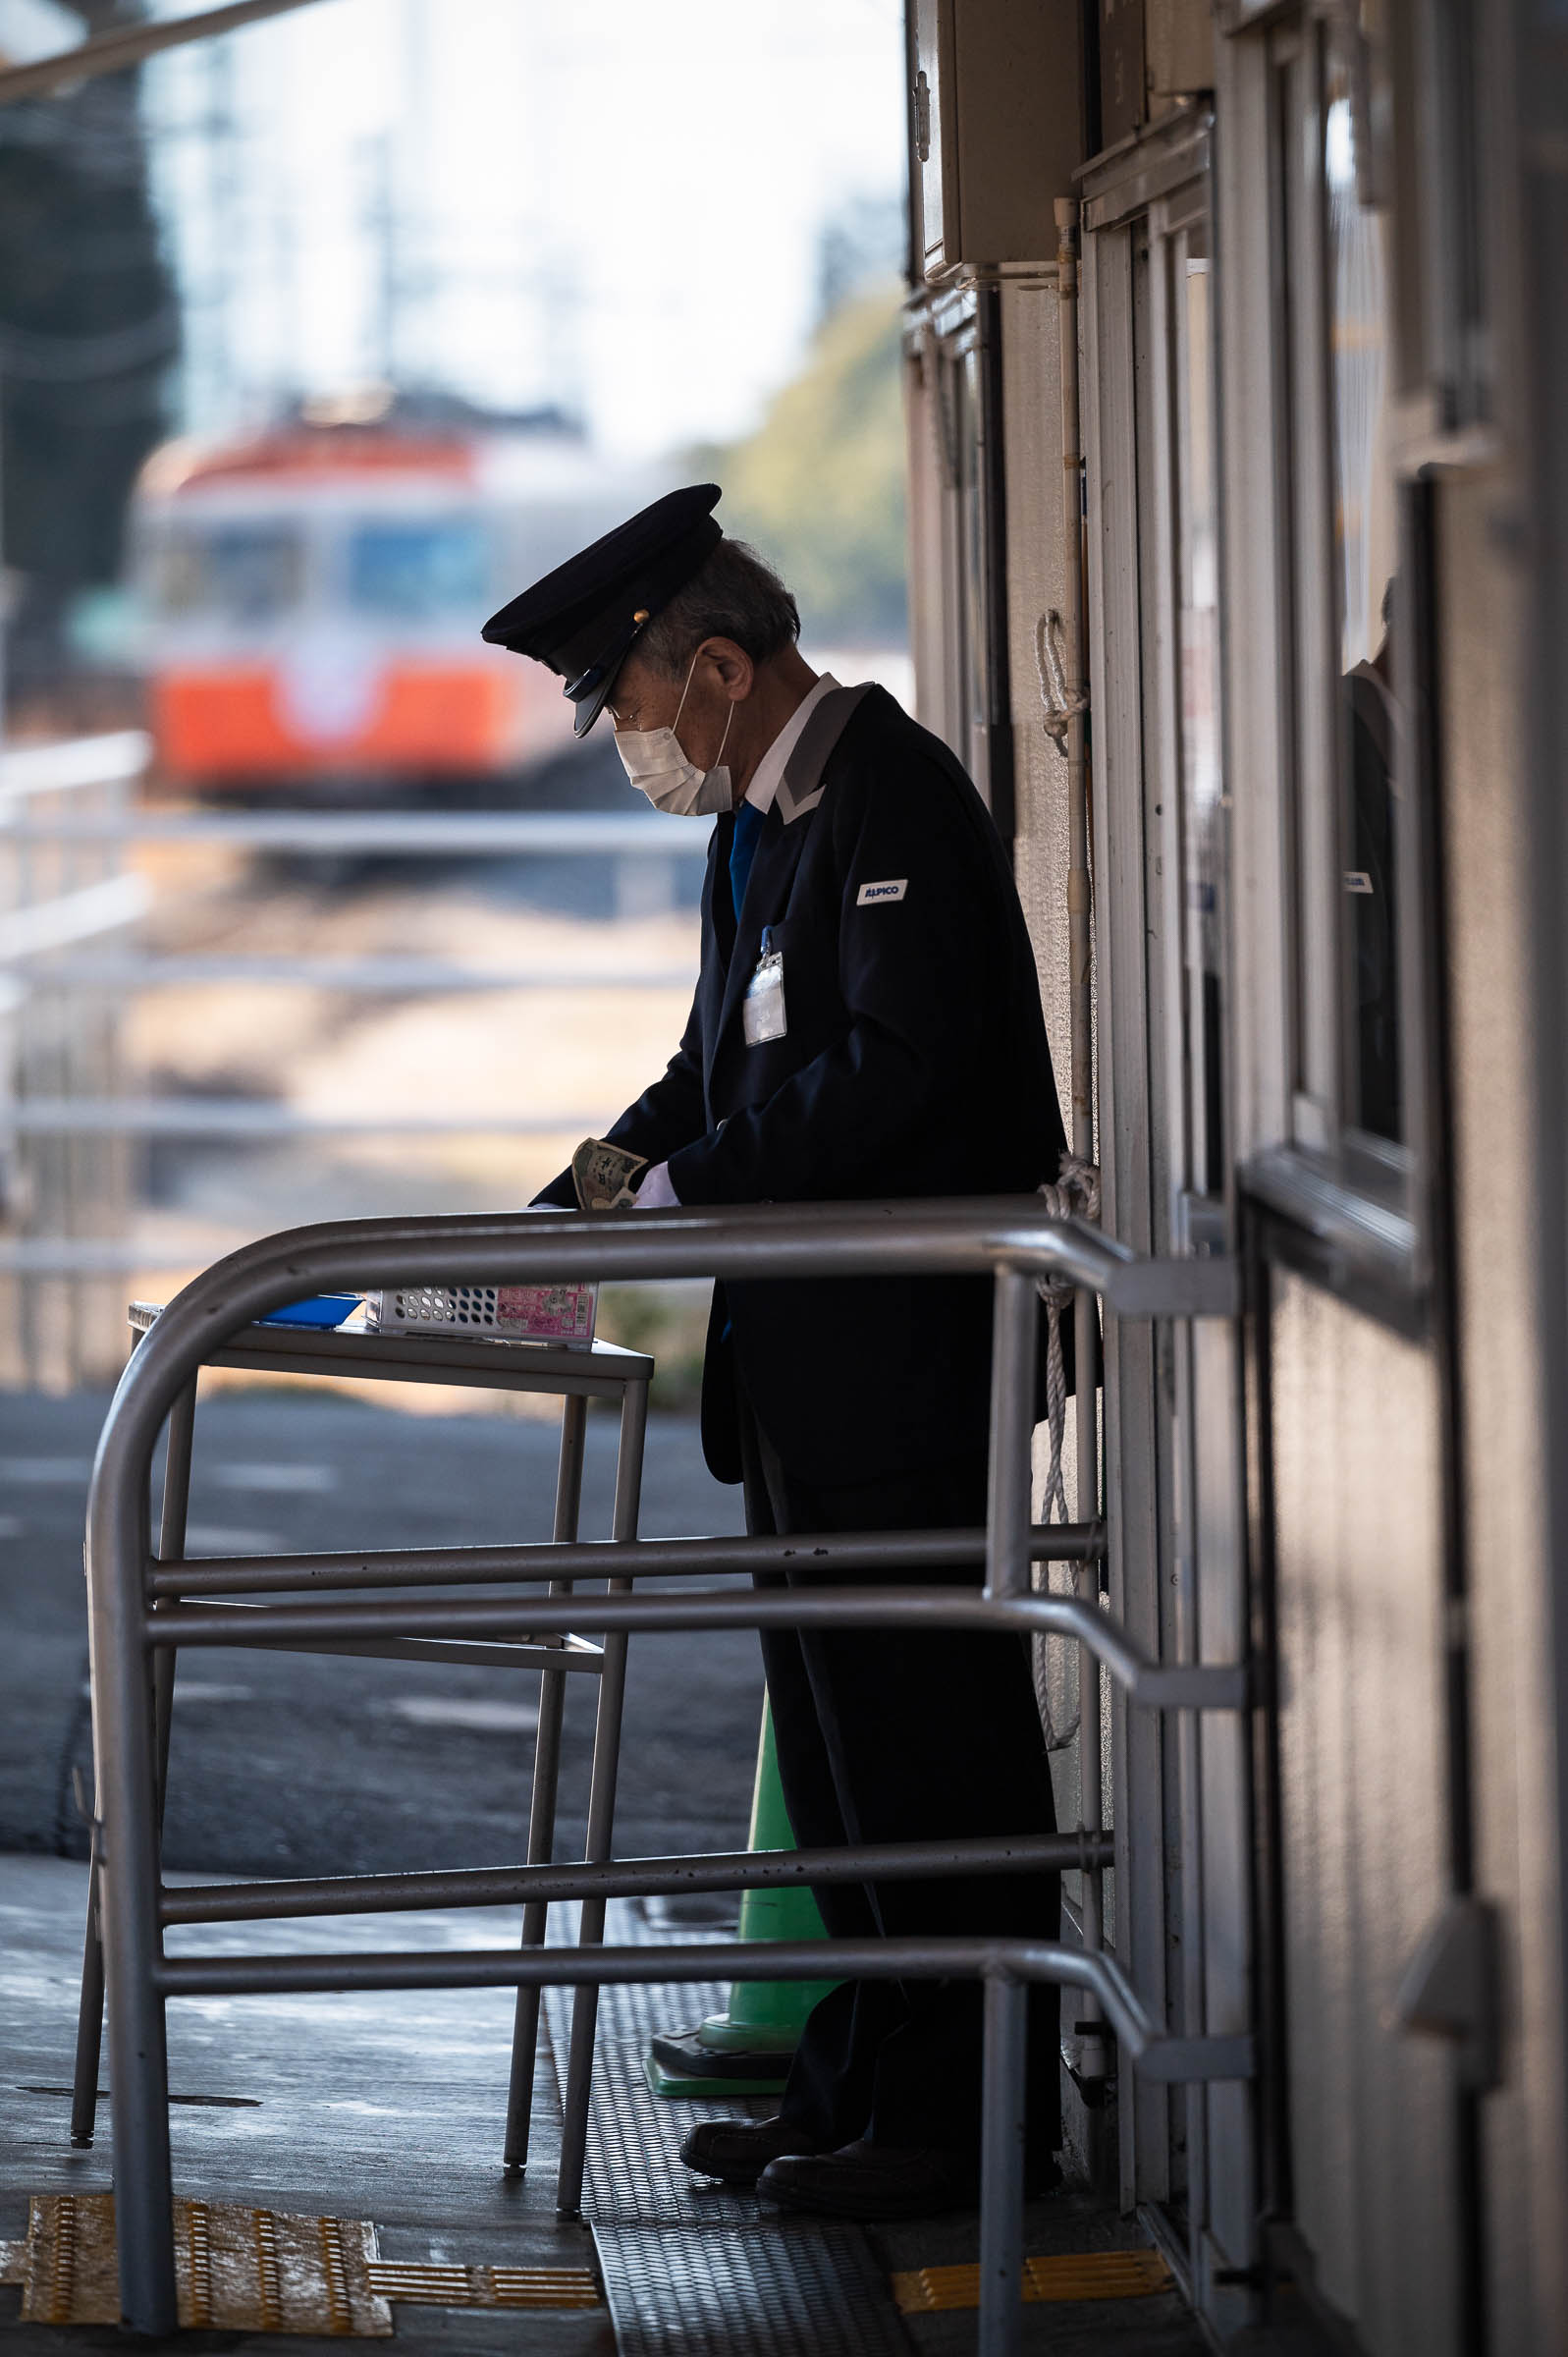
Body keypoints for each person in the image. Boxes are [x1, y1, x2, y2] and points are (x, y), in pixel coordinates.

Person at [483, 484, 1071, 2221]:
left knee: (931, 1753)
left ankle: (964, 2128)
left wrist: (692, 1188)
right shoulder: (756, 831)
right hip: (808, 1377)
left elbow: (897, 1067)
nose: (633, 743)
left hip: (905, 1370)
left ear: (722, 669)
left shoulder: (889, 795)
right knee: (840, 1761)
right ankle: (859, 2092)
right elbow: (705, 1074)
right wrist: (576, 1203)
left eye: (630, 702)